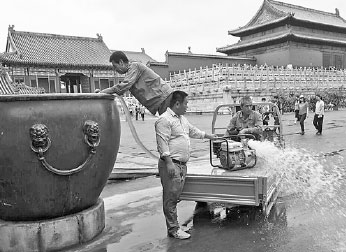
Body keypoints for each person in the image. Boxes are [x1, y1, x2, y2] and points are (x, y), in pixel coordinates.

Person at [155, 90, 217, 240]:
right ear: (177, 104)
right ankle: (174, 229)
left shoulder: (182, 119)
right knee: (170, 198)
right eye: (186, 103)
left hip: (181, 165)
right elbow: (162, 144)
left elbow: (193, 131)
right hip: (172, 164)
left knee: (175, 196)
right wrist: (169, 163)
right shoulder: (164, 120)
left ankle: (174, 227)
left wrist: (209, 136)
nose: (187, 106)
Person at [100, 51, 173, 115]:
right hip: (162, 101)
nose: (115, 70)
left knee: (171, 125)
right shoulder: (130, 72)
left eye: (115, 66)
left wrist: (103, 92)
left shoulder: (134, 66)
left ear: (121, 62)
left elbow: (124, 86)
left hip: (165, 99)